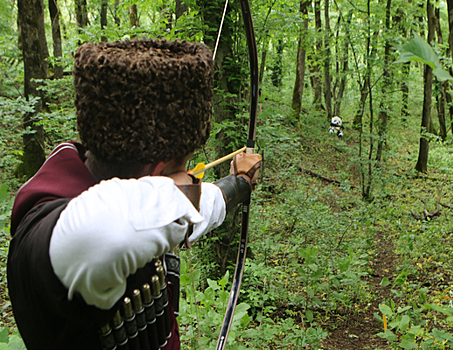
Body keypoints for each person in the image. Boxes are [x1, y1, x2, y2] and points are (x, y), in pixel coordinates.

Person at [7, 38, 262, 350]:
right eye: (181, 170)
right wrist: (179, 194)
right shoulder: (69, 235)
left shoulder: (79, 172)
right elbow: (146, 216)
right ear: (157, 174)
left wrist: (238, 183)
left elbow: (189, 208)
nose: (185, 183)